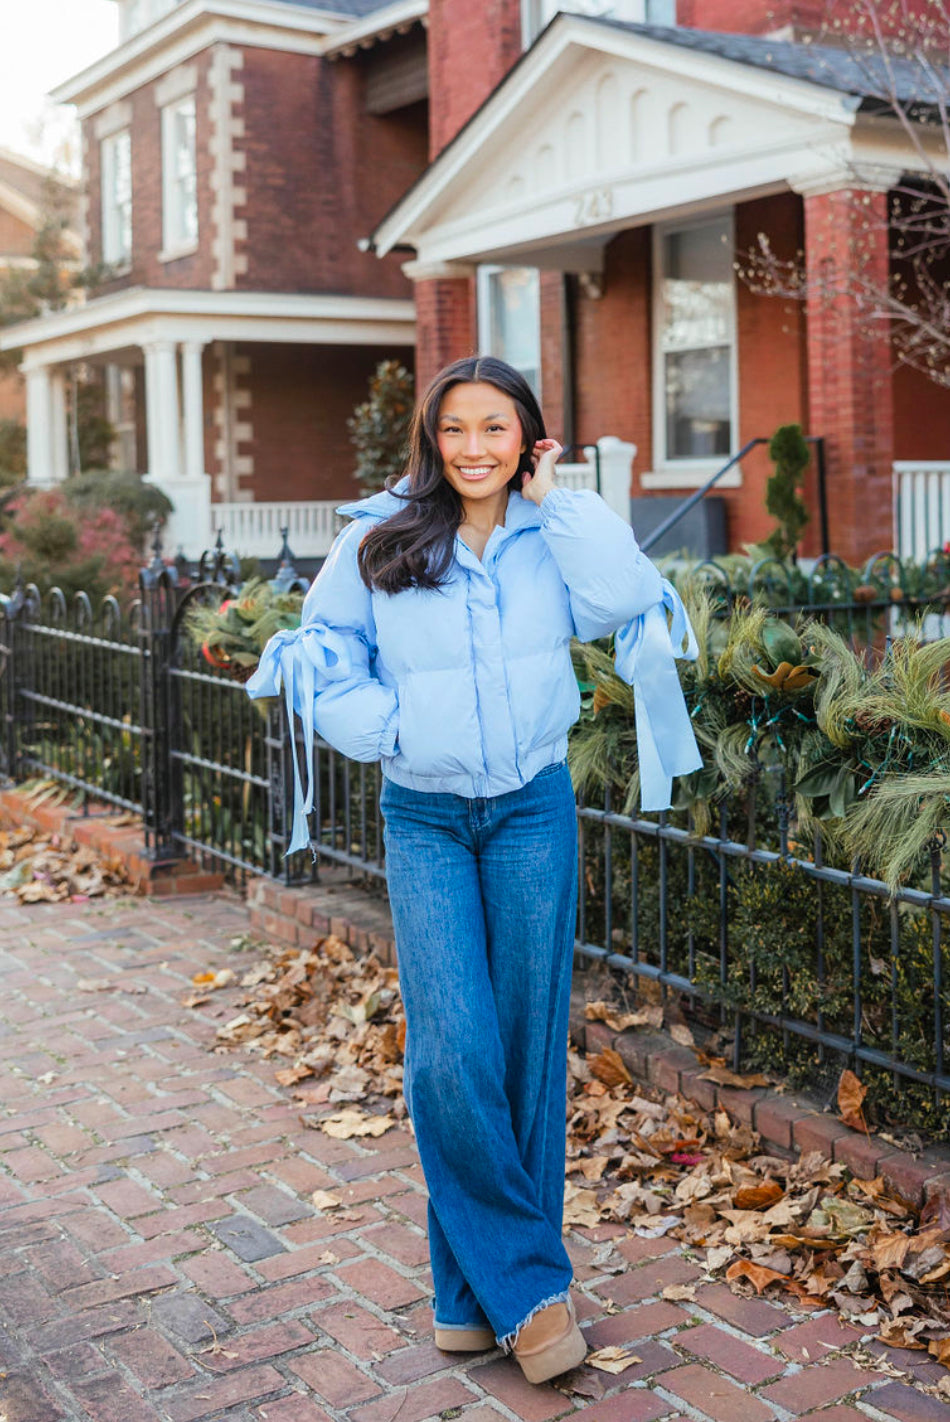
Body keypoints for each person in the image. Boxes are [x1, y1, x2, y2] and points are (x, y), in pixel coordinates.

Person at [248, 355, 701, 1384]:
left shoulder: (555, 537)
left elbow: (626, 597)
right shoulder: (382, 534)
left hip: (533, 810)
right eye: (454, 429)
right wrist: (390, 728)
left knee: (523, 1049)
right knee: (451, 1050)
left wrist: (563, 500)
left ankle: (466, 1299)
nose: (472, 449)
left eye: (494, 428)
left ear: (526, 436)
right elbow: (321, 648)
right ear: (430, 437)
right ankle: (531, 1289)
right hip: (426, 817)